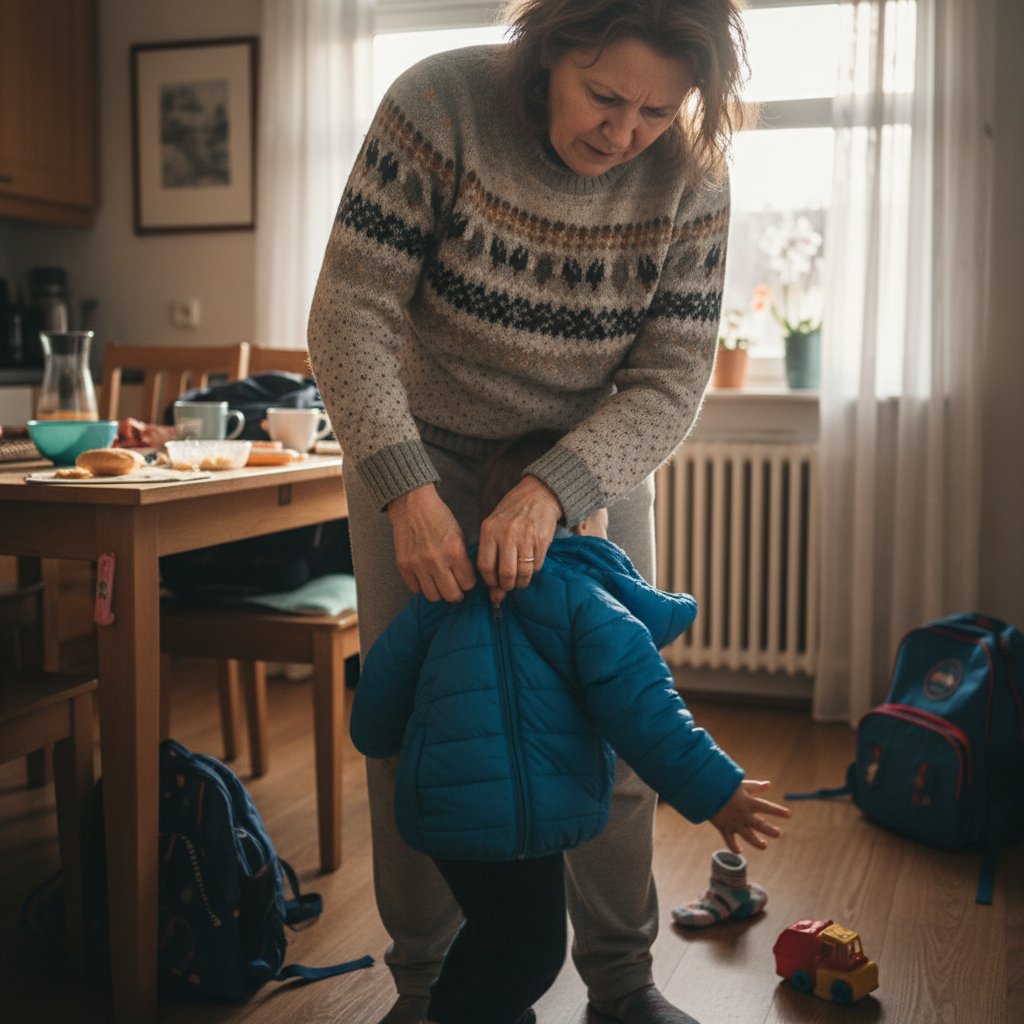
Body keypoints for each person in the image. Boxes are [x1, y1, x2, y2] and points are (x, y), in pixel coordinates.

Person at [307, 2, 750, 1021]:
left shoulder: (693, 175)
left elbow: (673, 375)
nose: (623, 131)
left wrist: (558, 486)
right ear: (546, 49)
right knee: (418, 722)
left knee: (617, 705)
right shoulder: (439, 104)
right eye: (603, 96)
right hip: (422, 446)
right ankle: (425, 982)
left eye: (656, 109)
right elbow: (351, 311)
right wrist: (405, 489)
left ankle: (622, 979)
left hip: (587, 459)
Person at [349, 432, 790, 1024]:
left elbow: (379, 692)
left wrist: (380, 743)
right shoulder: (589, 600)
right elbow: (650, 713)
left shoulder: (442, 595)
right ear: (581, 527)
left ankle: (448, 1010)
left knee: (487, 937)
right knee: (530, 954)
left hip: (441, 816)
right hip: (526, 819)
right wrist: (717, 792)